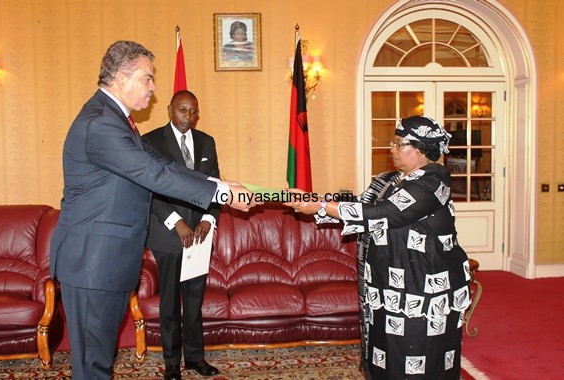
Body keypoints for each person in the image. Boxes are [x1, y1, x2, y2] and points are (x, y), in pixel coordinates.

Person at [50, 40, 258, 380]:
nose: (154, 87)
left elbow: (157, 164)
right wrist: (219, 192)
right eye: (147, 78)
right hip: (93, 261)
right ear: (121, 77)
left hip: (107, 260)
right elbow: (153, 173)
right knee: (92, 367)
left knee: (101, 360)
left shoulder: (117, 120)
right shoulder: (101, 122)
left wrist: (219, 184)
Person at [285, 116, 472, 379]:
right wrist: (317, 200)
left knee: (419, 350)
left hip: (422, 285)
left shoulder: (433, 181)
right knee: (386, 349)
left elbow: (388, 213)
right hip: (388, 280)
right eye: (392, 143)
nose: (392, 149)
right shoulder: (389, 179)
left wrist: (320, 206)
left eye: (399, 144)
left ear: (419, 148)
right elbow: (362, 205)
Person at [142, 90, 220, 379]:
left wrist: (209, 219)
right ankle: (172, 364)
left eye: (193, 111)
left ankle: (195, 359)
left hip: (199, 237)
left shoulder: (206, 142)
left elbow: (215, 186)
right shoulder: (150, 142)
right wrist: (177, 223)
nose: (188, 117)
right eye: (182, 110)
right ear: (169, 110)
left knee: (194, 303)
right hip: (169, 236)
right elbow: (149, 188)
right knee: (170, 304)